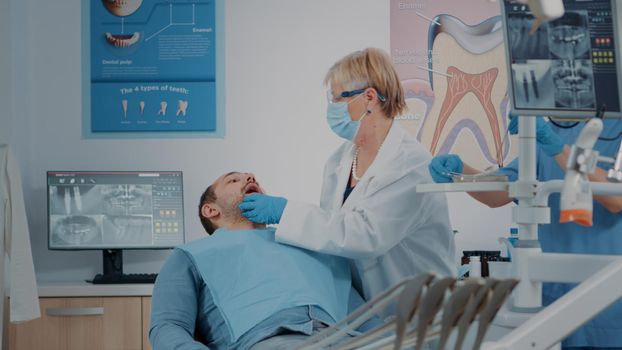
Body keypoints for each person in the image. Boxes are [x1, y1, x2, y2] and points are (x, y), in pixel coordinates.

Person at [238, 48, 456, 302]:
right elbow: (332, 234)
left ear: (369, 97)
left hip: (419, 311)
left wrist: (284, 212)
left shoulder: (410, 165)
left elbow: (364, 236)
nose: (332, 109)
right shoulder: (339, 161)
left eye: (338, 99)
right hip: (365, 310)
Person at [429, 116, 622, 349]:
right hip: (553, 295)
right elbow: (498, 192)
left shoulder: (614, 131)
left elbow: (615, 197)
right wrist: (461, 172)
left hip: (606, 297)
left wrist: (559, 148)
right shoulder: (551, 130)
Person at [150, 171, 362, 350]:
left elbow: (366, 315)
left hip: (350, 341)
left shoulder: (309, 241)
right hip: (273, 341)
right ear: (211, 210)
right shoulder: (190, 255)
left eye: (252, 178)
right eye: (233, 180)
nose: (250, 177)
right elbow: (168, 326)